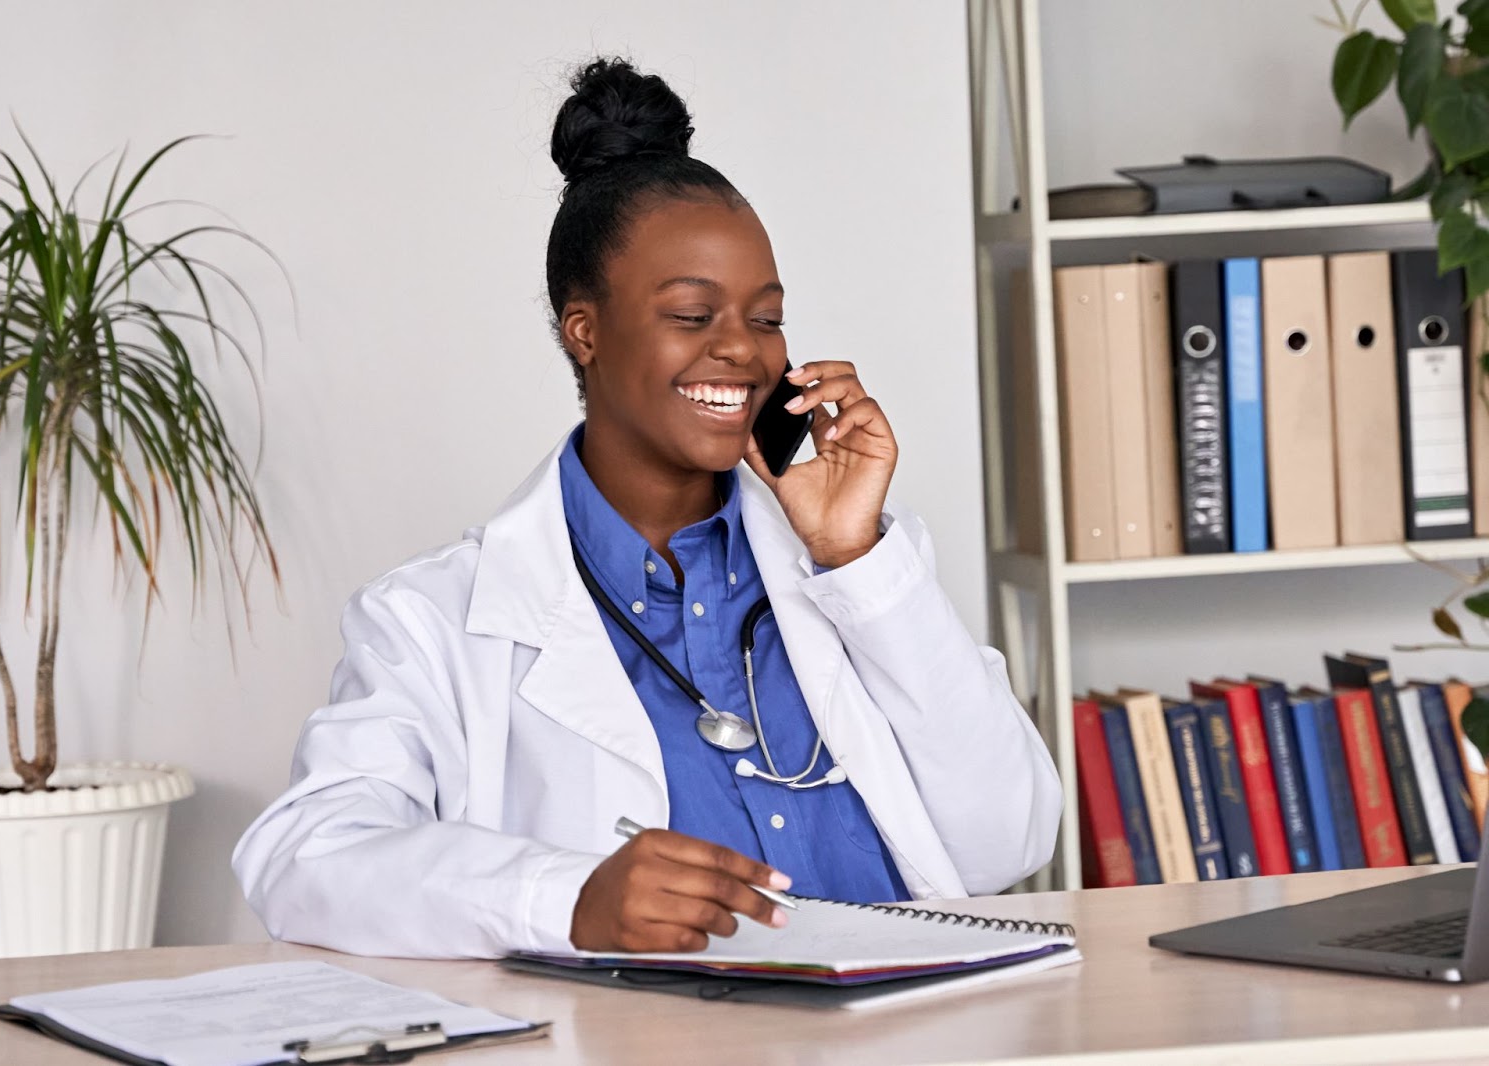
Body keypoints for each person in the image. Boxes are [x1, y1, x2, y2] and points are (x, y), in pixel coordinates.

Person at [233, 57, 1061, 960]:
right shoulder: (434, 619)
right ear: (583, 329)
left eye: (765, 316)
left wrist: (855, 558)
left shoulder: (845, 570)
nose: (741, 350)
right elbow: (303, 858)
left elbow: (1011, 839)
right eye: (692, 315)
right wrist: (567, 898)